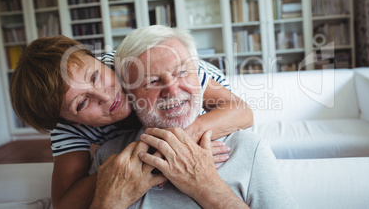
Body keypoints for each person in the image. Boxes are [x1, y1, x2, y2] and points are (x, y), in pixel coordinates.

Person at [9, 34, 253, 208]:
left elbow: (242, 112)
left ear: (97, 59)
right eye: (82, 104)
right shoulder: (66, 129)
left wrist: (181, 139)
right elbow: (65, 203)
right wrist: (131, 163)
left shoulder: (141, 64)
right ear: (68, 121)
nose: (106, 96)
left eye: (95, 75)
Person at [88, 25, 295, 208]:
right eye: (152, 81)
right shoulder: (108, 159)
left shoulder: (249, 149)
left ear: (199, 77)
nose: (172, 88)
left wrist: (207, 187)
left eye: (182, 73)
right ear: (129, 94)